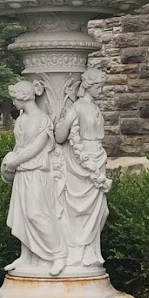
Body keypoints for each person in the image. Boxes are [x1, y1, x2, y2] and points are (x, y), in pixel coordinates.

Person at [0, 78, 65, 276]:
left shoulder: (42, 119)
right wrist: (11, 162)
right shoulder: (21, 119)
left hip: (37, 171)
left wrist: (15, 161)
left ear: (24, 97)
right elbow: (19, 146)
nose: (13, 103)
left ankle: (59, 254)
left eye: (15, 98)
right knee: (22, 214)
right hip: (22, 171)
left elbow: (36, 147)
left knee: (36, 213)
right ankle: (27, 257)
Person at [54, 67, 111, 270]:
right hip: (80, 162)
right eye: (98, 86)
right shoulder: (77, 107)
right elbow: (60, 137)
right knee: (78, 210)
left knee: (101, 211)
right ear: (88, 85)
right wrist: (65, 120)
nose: (101, 91)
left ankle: (91, 252)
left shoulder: (94, 107)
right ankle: (76, 253)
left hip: (97, 157)